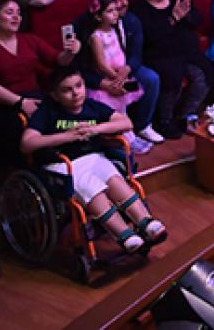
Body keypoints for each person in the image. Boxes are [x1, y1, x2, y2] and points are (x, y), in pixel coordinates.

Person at [20, 66, 167, 253]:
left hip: (93, 157)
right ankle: (124, 235)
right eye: (67, 90)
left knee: (115, 181)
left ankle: (146, 222)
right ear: (55, 95)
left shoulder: (92, 107)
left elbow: (126, 123)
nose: (75, 93)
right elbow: (27, 143)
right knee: (93, 190)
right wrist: (68, 136)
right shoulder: (47, 112)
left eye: (79, 86)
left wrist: (95, 129)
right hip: (63, 164)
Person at [0, 0, 82, 155]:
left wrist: (71, 51)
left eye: (18, 13)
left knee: (65, 111)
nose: (16, 17)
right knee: (20, 123)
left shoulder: (29, 39)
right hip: (5, 104)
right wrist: (21, 103)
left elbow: (59, 60)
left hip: (35, 96)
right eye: (9, 12)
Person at [130, 0, 211, 141]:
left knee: (204, 72)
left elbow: (197, 18)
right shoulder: (139, 9)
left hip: (186, 52)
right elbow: (150, 37)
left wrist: (186, 14)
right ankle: (164, 120)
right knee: (172, 76)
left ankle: (187, 114)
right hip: (159, 55)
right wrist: (173, 18)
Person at [83, 0, 149, 153]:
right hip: (110, 78)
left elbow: (121, 51)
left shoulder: (115, 30)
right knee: (114, 112)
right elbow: (100, 64)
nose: (115, 14)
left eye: (115, 10)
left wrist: (124, 73)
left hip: (120, 75)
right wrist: (116, 78)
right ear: (99, 17)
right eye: (110, 11)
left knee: (123, 107)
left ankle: (130, 135)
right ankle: (123, 138)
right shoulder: (96, 37)